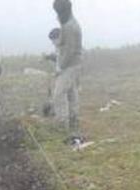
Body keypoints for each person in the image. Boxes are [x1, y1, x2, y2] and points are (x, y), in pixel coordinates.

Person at [51, 0, 83, 144]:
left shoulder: (70, 26)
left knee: (58, 94)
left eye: (57, 12)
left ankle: (61, 124)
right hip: (74, 64)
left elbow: (69, 50)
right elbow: (65, 43)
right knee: (71, 92)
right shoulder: (69, 22)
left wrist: (60, 67)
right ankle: (73, 120)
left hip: (69, 65)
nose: (57, 15)